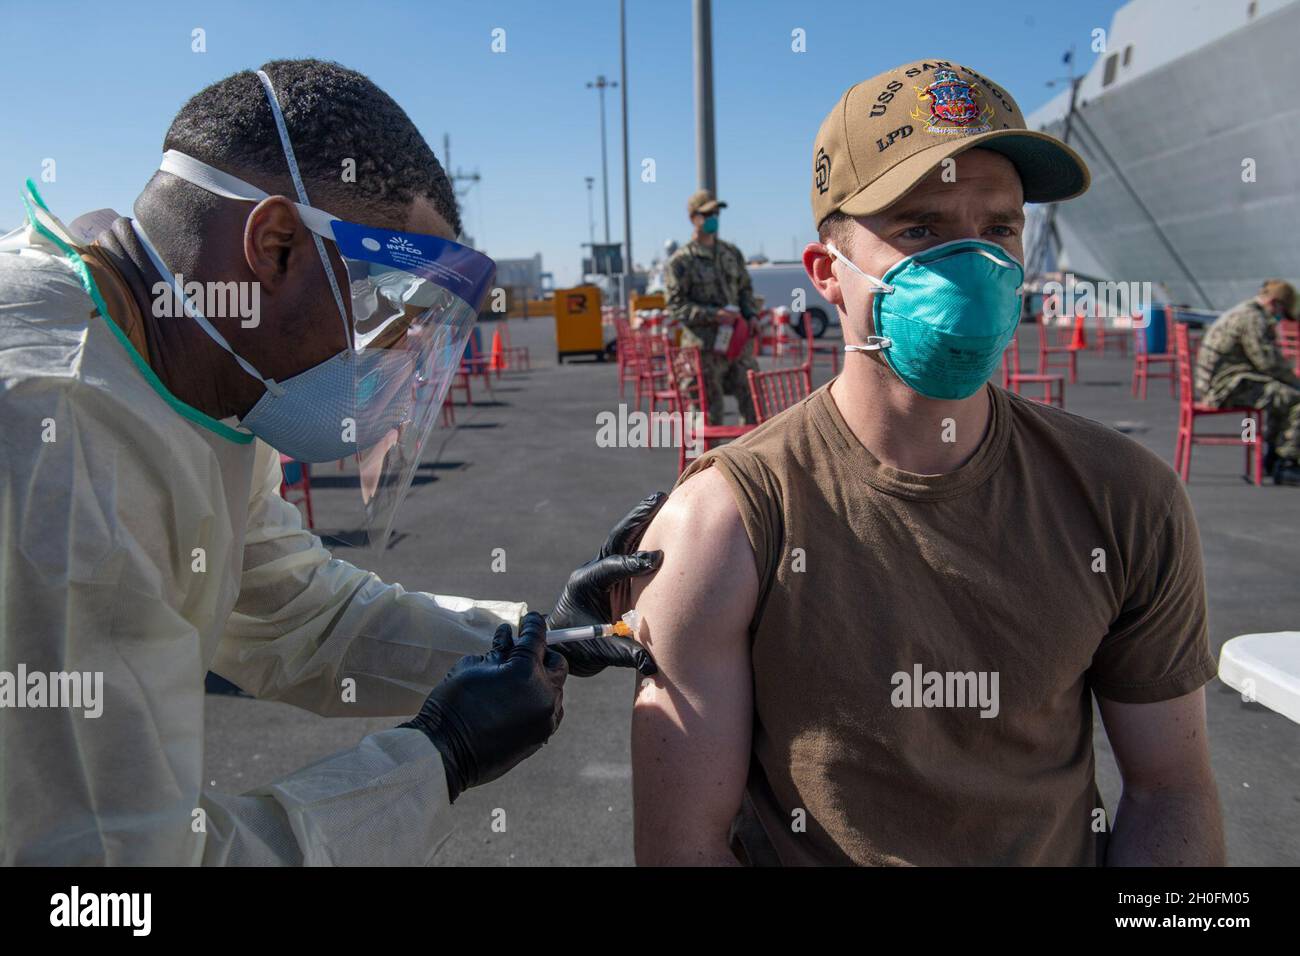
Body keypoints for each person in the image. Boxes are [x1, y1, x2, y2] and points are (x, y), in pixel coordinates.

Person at [0, 59, 666, 866]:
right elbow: (110, 881)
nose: (393, 350)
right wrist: (437, 759)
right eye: (383, 302)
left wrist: (535, 638)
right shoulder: (56, 435)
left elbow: (298, 612)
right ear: (275, 246)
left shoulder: (182, 383)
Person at [625, 59, 1225, 866]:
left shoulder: (1125, 497)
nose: (974, 266)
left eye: (1000, 228)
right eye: (921, 229)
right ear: (827, 275)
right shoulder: (722, 524)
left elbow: (1169, 789)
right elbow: (684, 849)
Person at [664, 190, 760, 424]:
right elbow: (675, 306)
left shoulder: (731, 253)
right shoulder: (681, 261)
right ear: (693, 218)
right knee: (708, 417)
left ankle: (746, 460)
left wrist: (751, 315)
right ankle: (708, 461)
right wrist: (714, 315)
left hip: (737, 345)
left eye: (716, 213)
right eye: (707, 214)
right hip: (703, 350)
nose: (713, 218)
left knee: (754, 406)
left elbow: (745, 289)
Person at [1195, 279, 1300, 485]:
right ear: (1275, 303)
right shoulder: (1253, 318)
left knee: (1282, 396)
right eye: (1281, 311)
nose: (1279, 318)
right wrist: (1295, 381)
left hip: (1222, 383)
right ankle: (1288, 463)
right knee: (1296, 400)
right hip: (1228, 387)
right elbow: (1267, 362)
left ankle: (1274, 459)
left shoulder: (1244, 311)